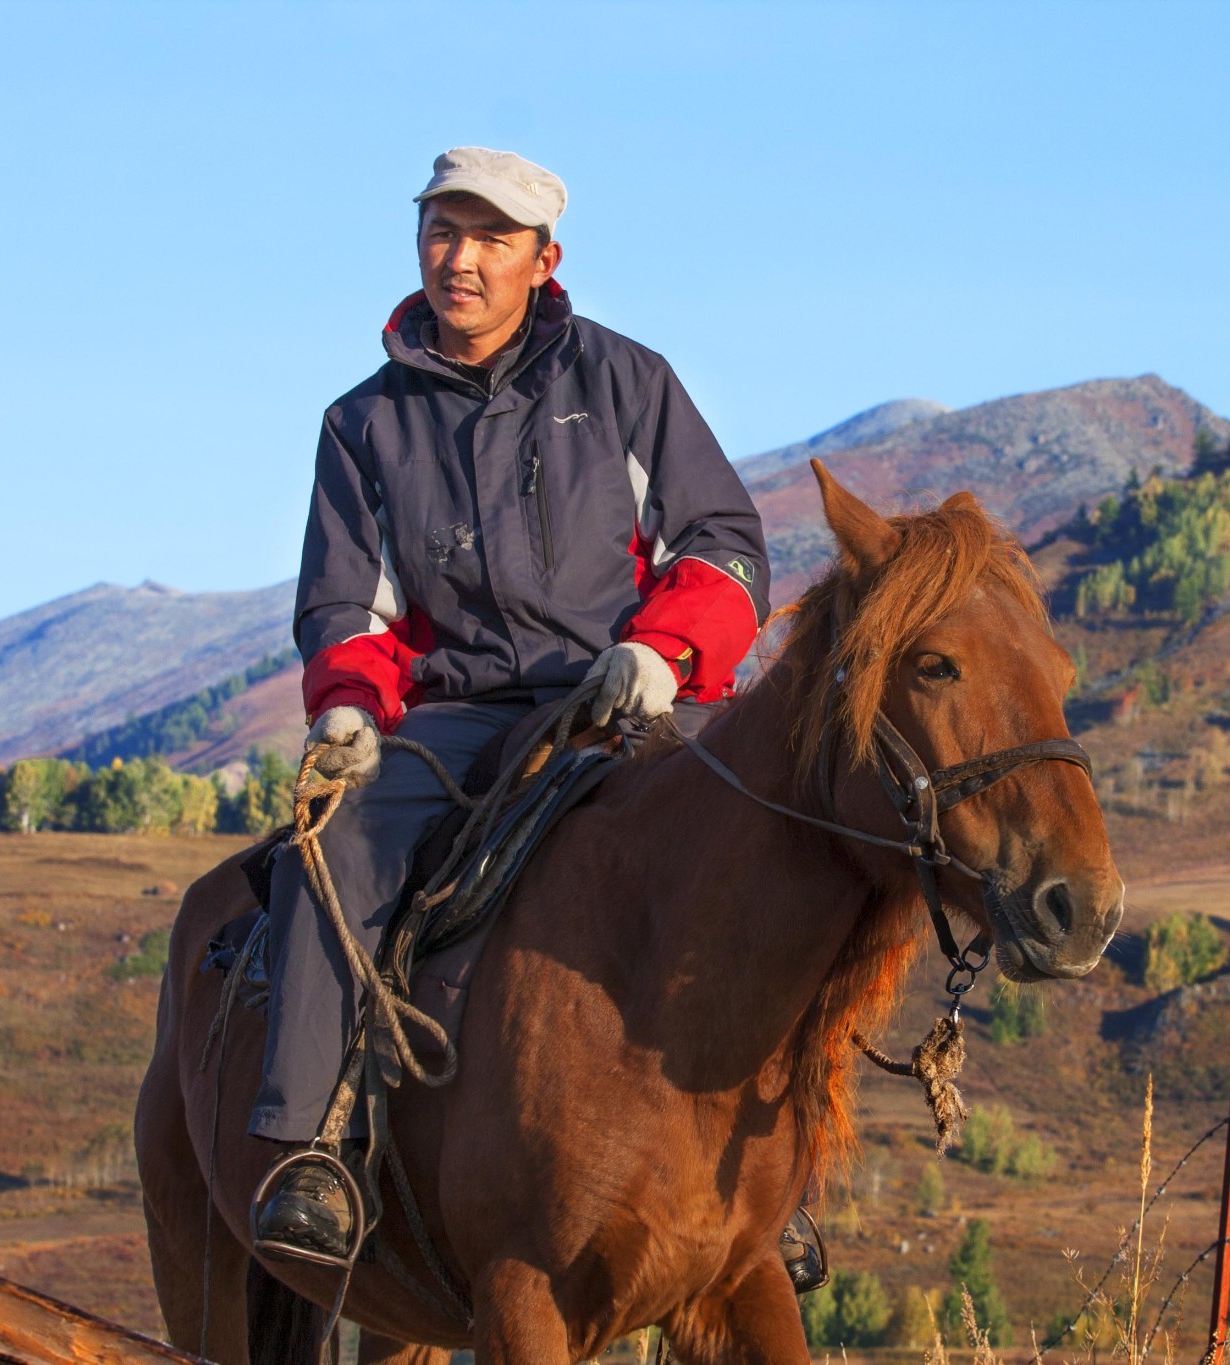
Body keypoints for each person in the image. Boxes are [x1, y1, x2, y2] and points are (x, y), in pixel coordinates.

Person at [250, 147, 773, 1267]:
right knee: (330, 848)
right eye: (445, 231)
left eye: (491, 239)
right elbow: (348, 600)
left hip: (616, 699)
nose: (463, 258)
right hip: (454, 716)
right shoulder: (363, 426)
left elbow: (723, 544)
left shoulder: (628, 381)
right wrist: (347, 709)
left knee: (756, 855)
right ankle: (313, 1148)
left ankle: (774, 1181)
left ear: (546, 259)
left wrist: (660, 651)